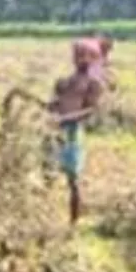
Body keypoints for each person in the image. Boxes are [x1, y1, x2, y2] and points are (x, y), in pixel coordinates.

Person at [46, 38, 107, 226]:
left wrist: (66, 118)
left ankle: (74, 221)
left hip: (73, 131)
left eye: (88, 55)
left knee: (73, 179)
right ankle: (44, 212)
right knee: (46, 169)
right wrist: (52, 109)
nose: (83, 59)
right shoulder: (63, 82)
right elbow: (55, 103)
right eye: (79, 55)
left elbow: (91, 110)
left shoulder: (94, 84)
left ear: (95, 58)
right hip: (54, 130)